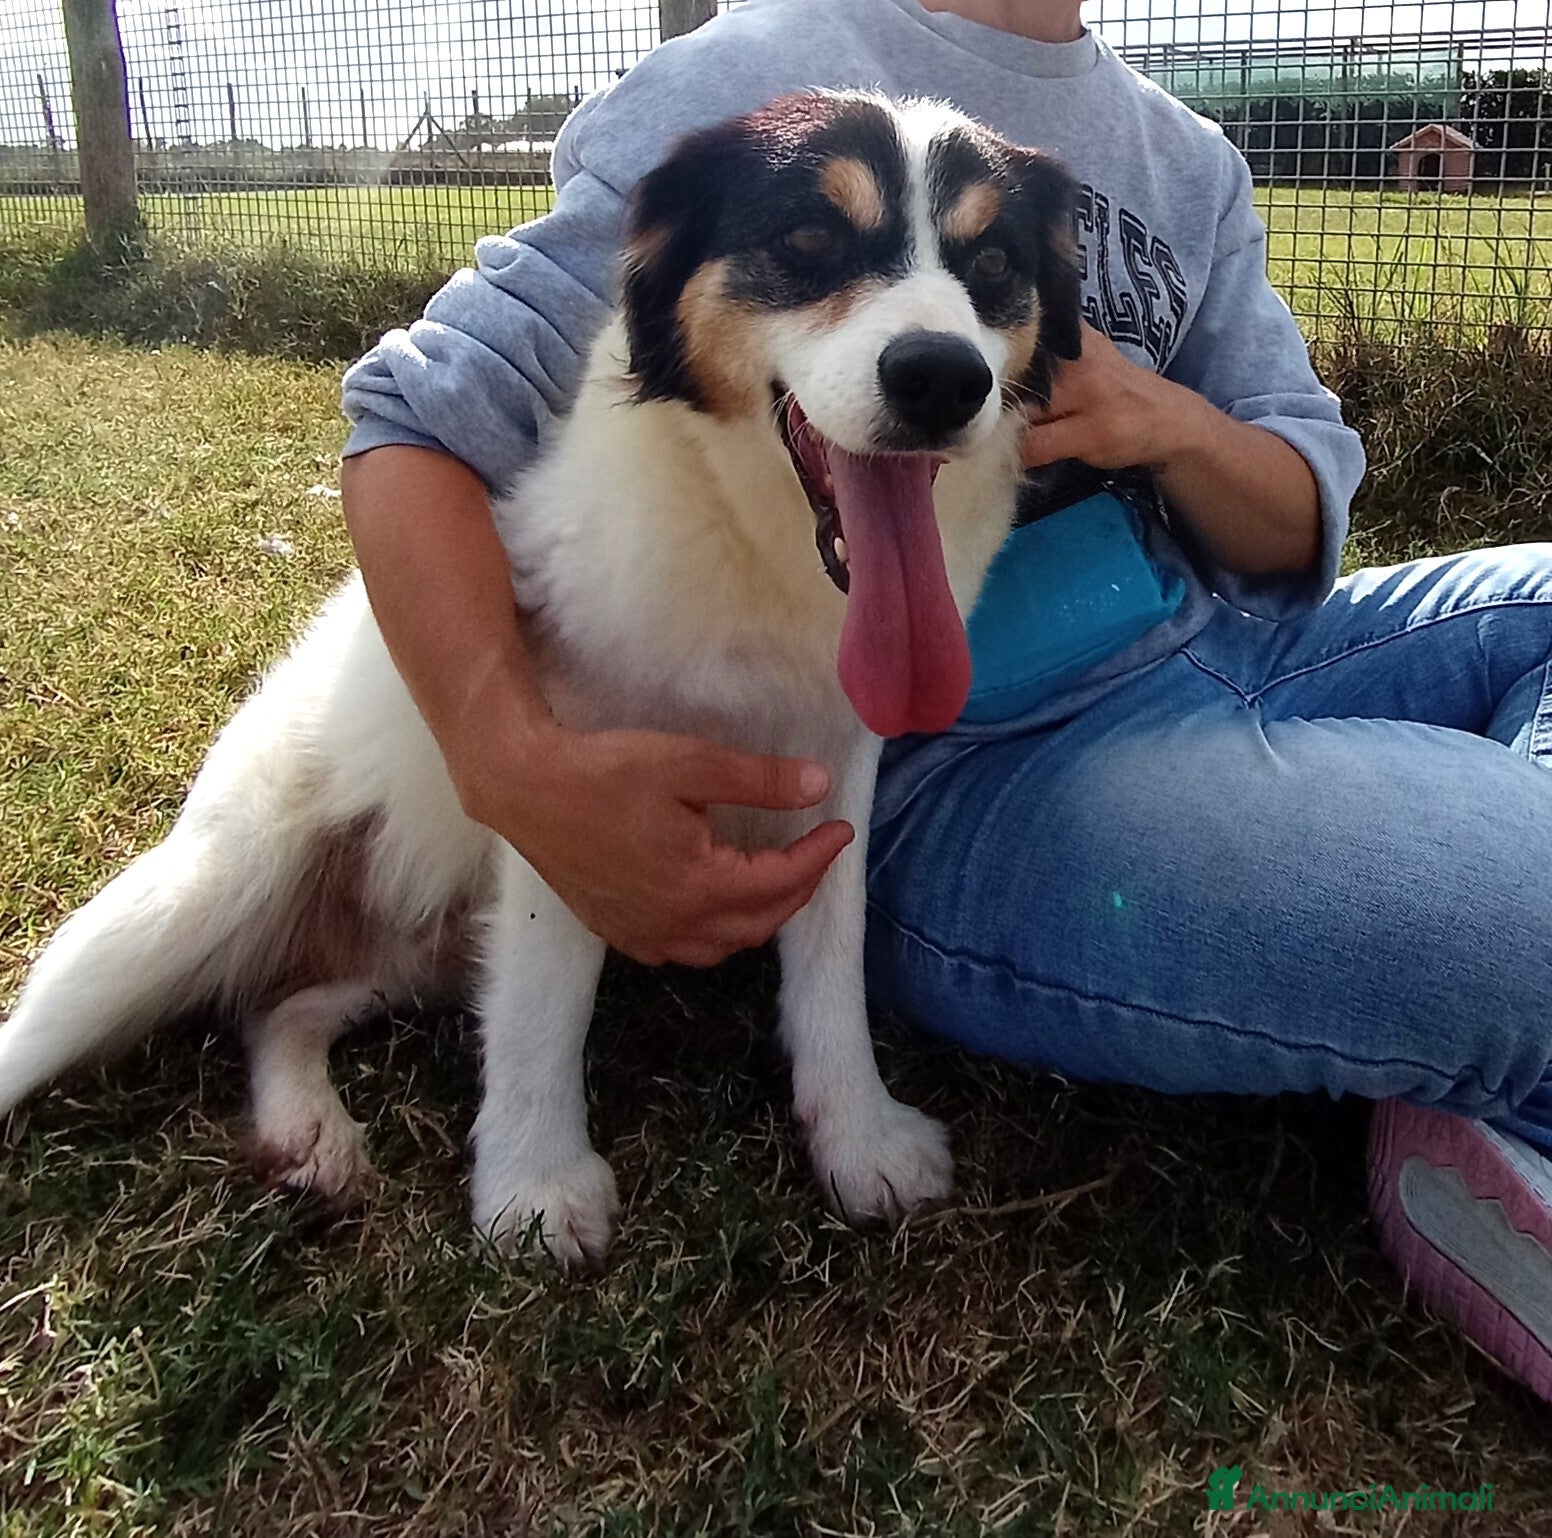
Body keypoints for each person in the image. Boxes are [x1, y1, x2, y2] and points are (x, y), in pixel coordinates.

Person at [339, 0, 1552, 1402]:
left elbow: (1297, 505)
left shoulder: (1190, 160)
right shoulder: (740, 77)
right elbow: (417, 416)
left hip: (1228, 640)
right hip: (981, 773)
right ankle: (1468, 997)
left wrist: (1166, 418)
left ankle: (1460, 1031)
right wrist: (510, 761)